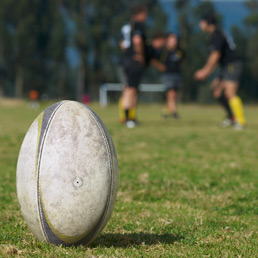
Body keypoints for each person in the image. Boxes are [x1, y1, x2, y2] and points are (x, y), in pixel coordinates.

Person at [194, 14, 246, 130]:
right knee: (217, 91)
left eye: (201, 23)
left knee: (230, 92)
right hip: (225, 66)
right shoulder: (214, 36)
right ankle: (231, 116)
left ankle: (240, 121)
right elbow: (216, 58)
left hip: (233, 64)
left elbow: (215, 56)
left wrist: (205, 71)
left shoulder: (217, 35)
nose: (200, 25)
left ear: (208, 24)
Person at [118, 5, 148, 128]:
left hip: (125, 60)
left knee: (127, 88)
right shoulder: (137, 25)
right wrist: (139, 54)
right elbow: (137, 40)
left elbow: (122, 43)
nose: (146, 17)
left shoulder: (126, 26)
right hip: (133, 61)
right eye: (145, 14)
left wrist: (128, 53)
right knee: (132, 89)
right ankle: (129, 118)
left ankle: (127, 117)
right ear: (139, 14)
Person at [151, 33, 184, 119]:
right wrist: (160, 67)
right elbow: (153, 60)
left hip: (177, 74)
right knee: (171, 93)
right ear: (167, 41)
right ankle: (174, 112)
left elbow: (181, 61)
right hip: (167, 75)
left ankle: (165, 111)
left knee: (173, 94)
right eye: (172, 40)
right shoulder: (163, 51)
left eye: (175, 40)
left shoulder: (179, 51)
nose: (174, 42)